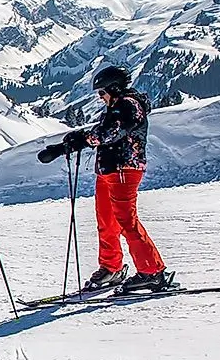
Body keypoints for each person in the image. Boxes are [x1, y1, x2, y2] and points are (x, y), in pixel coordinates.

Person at [63, 65, 172, 293]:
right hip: (109, 170)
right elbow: (105, 131)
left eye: (102, 92)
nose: (100, 97)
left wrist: (82, 139)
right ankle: (111, 268)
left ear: (114, 88)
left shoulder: (129, 105)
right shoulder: (116, 106)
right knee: (106, 222)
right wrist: (75, 140)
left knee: (126, 221)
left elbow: (113, 132)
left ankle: (151, 271)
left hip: (124, 169)